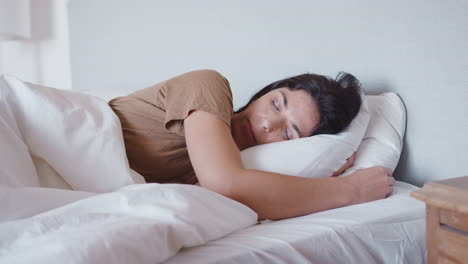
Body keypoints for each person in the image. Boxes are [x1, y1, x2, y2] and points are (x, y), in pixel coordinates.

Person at [109, 69, 394, 220]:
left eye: (288, 132)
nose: (268, 123)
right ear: (265, 92)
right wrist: (349, 190)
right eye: (275, 103)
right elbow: (225, 183)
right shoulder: (209, 85)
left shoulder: (241, 168)